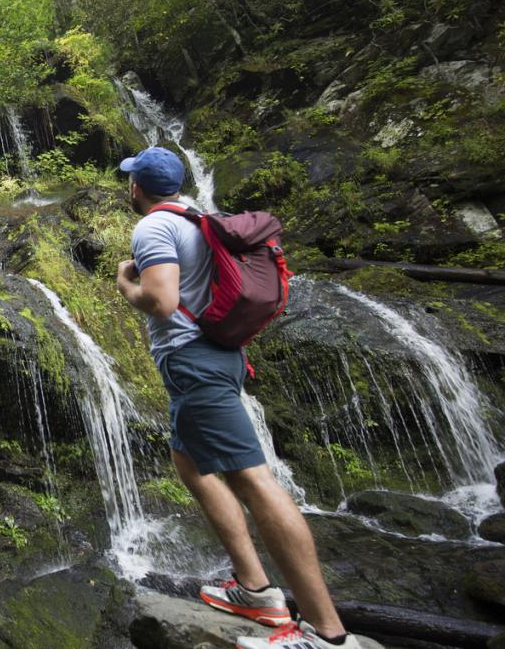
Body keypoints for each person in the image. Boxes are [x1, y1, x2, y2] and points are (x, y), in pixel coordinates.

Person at [114, 147, 358, 649]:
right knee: (190, 464)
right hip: (221, 355)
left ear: (136, 187)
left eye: (129, 182)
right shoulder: (200, 220)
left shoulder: (153, 228)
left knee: (252, 479)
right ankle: (254, 589)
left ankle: (327, 633)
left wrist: (126, 285)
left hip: (193, 361)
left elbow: (162, 301)